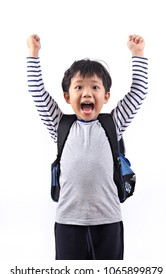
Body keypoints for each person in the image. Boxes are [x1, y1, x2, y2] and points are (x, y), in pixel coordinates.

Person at [26, 34, 148, 260]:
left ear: (106, 95)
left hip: (109, 221)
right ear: (67, 96)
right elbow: (37, 92)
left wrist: (137, 54)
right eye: (79, 87)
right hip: (67, 222)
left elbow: (138, 92)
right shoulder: (60, 125)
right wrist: (33, 53)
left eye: (95, 87)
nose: (87, 93)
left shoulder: (113, 123)